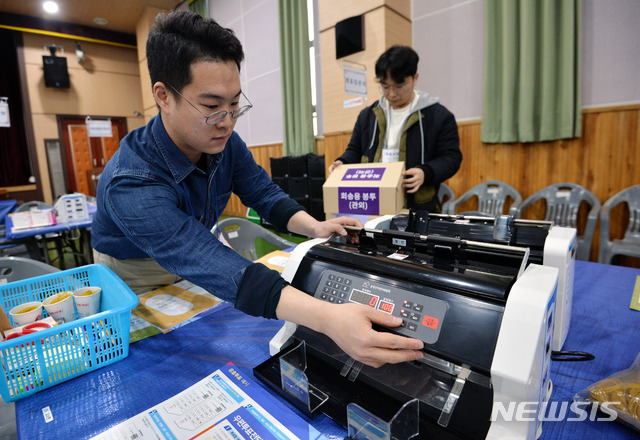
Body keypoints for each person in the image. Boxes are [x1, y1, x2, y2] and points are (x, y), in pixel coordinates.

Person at [91, 10, 424, 367]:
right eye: (212, 106)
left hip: (194, 265)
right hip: (135, 276)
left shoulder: (222, 142)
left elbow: (263, 194)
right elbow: (201, 257)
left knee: (204, 348)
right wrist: (328, 319)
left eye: (235, 104)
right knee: (152, 365)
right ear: (163, 96)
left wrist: (315, 227)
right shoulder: (131, 180)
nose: (228, 121)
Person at [329, 45, 462, 213]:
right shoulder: (368, 116)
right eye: (385, 87)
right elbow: (355, 150)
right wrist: (343, 162)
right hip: (374, 202)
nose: (391, 94)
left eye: (399, 86)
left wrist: (425, 172)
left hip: (417, 205)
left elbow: (451, 157)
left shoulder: (438, 116)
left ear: (415, 78)